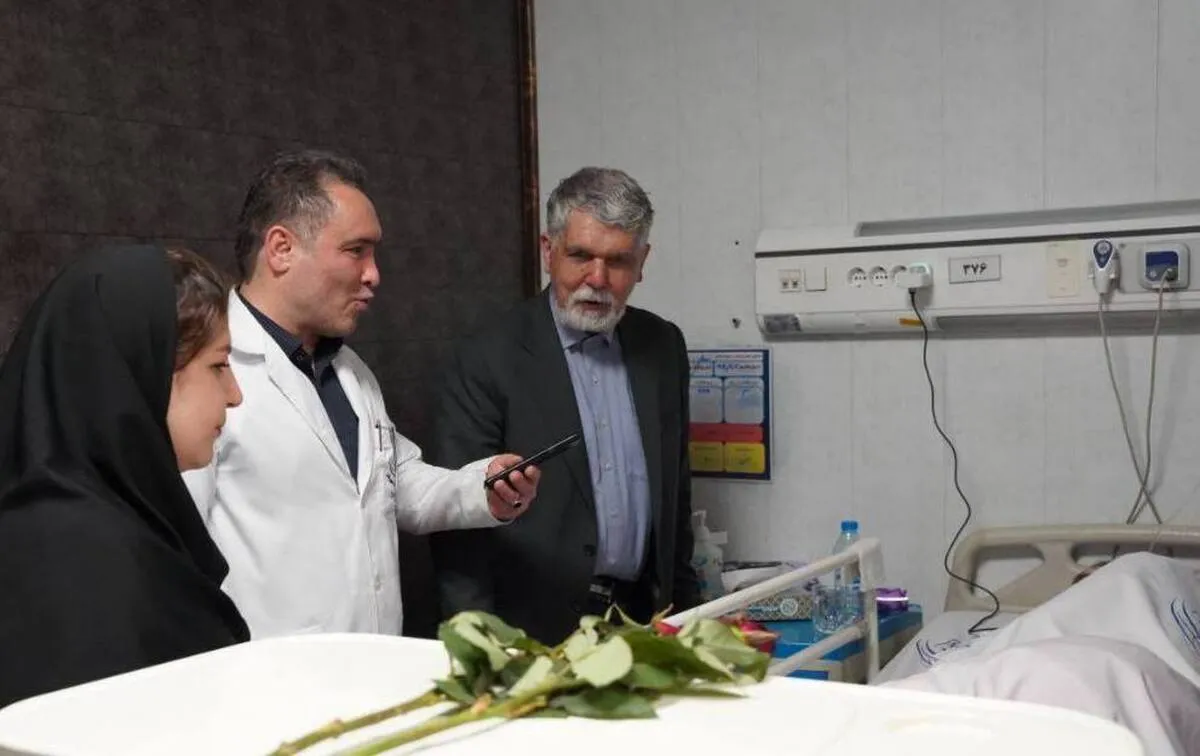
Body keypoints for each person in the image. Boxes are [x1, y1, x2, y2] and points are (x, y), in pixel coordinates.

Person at [182, 149, 540, 639]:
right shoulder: (203, 371)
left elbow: (394, 483)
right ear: (281, 249)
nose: (374, 274)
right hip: (267, 668)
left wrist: (482, 488)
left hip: (371, 656)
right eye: (356, 251)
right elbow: (179, 551)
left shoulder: (348, 370)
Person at [429, 166, 701, 644]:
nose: (597, 279)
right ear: (548, 251)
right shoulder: (487, 355)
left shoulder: (663, 346)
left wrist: (687, 617)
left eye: (618, 260)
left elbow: (674, 494)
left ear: (642, 261)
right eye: (580, 256)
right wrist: (478, 646)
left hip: (642, 623)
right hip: (530, 632)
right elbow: (457, 525)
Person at [0, 245, 249, 707]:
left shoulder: (99, 519)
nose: (235, 394)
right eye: (218, 365)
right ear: (144, 369)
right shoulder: (84, 570)